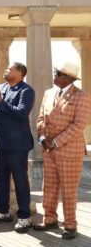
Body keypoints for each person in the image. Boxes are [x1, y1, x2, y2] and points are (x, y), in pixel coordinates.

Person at [34, 61, 91, 240]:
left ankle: (70, 225)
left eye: (58, 73)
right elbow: (41, 118)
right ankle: (49, 219)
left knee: (68, 190)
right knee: (48, 188)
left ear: (69, 78)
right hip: (48, 150)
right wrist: (42, 138)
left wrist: (56, 142)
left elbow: (79, 125)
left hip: (69, 151)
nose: (55, 75)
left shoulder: (82, 96)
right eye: (55, 72)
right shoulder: (48, 93)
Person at [0, 62, 35, 233]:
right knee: (1, 177)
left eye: (10, 69)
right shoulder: (2, 87)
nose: (6, 70)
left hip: (18, 144)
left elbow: (21, 113)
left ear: (20, 73)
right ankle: (2, 212)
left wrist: (1, 101)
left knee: (20, 180)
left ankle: (24, 217)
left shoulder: (26, 91)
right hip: (1, 141)